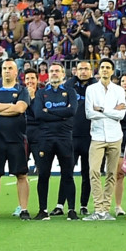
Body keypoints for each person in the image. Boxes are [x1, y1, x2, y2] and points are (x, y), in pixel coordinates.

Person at [0, 59, 31, 219]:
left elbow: (20, 108)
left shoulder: (22, 90)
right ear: (0, 71)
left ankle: (24, 210)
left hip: (16, 139)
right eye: (4, 68)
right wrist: (11, 106)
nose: (7, 71)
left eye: (10, 68)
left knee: (21, 175)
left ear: (17, 72)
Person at [27, 64, 77, 218]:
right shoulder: (42, 93)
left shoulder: (70, 91)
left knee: (67, 174)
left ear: (63, 74)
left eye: (57, 71)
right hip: (45, 138)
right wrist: (61, 115)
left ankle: (71, 210)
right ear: (48, 74)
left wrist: (49, 111)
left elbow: (72, 111)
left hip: (64, 137)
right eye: (52, 71)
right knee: (43, 175)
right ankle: (43, 210)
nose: (54, 73)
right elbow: (38, 114)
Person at [84, 59, 126, 220]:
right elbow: (89, 113)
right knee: (94, 170)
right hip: (97, 135)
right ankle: (98, 208)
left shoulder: (119, 90)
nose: (105, 70)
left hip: (115, 135)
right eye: (102, 67)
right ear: (99, 70)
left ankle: (105, 208)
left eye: (108, 68)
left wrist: (101, 109)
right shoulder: (91, 89)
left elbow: (121, 115)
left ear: (112, 71)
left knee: (111, 173)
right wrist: (111, 111)